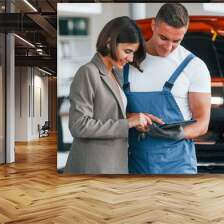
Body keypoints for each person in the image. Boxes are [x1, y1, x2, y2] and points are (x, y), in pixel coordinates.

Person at [64, 16, 162, 174]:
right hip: (93, 166)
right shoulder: (88, 72)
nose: (130, 58)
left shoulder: (116, 74)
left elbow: (107, 113)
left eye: (133, 53)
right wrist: (127, 123)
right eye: (127, 51)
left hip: (115, 163)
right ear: (109, 42)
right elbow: (78, 126)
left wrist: (134, 117)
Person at [123, 3, 211, 174]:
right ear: (153, 25)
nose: (168, 47)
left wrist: (175, 133)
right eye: (163, 38)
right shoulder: (127, 62)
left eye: (176, 41)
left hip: (179, 165)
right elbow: (107, 112)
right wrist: (130, 117)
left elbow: (202, 123)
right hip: (134, 163)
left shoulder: (194, 66)